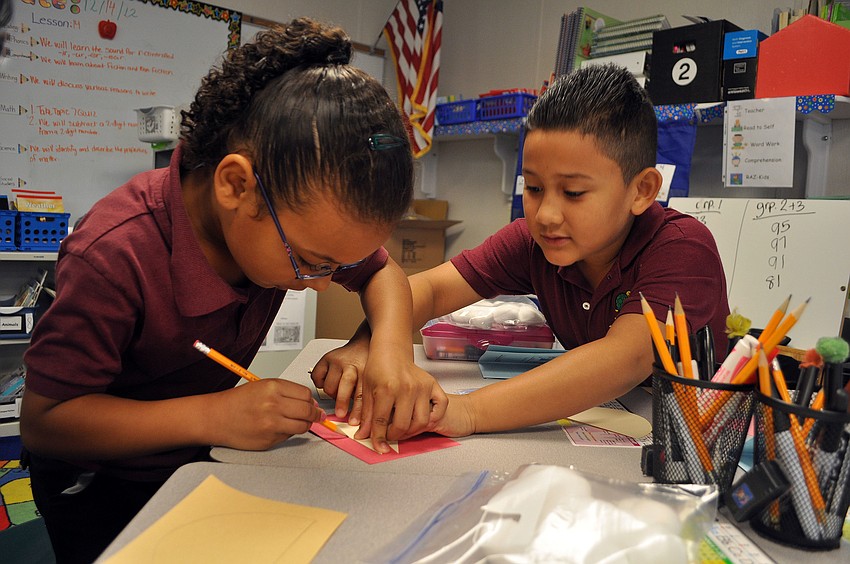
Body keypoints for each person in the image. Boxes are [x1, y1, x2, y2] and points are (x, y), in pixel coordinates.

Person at [20, 18, 446, 563]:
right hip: (99, 483)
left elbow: (383, 275)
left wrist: (384, 351)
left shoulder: (282, 220)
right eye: (313, 263)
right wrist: (214, 416)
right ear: (236, 185)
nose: (322, 282)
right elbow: (47, 420)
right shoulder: (114, 253)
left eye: (338, 266)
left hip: (202, 463)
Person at [312, 64, 729, 438]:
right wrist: (371, 345)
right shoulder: (534, 242)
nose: (546, 214)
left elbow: (624, 358)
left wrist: (470, 411)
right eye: (532, 187)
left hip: (694, 443)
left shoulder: (681, 248)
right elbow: (430, 291)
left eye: (574, 192)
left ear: (642, 190)